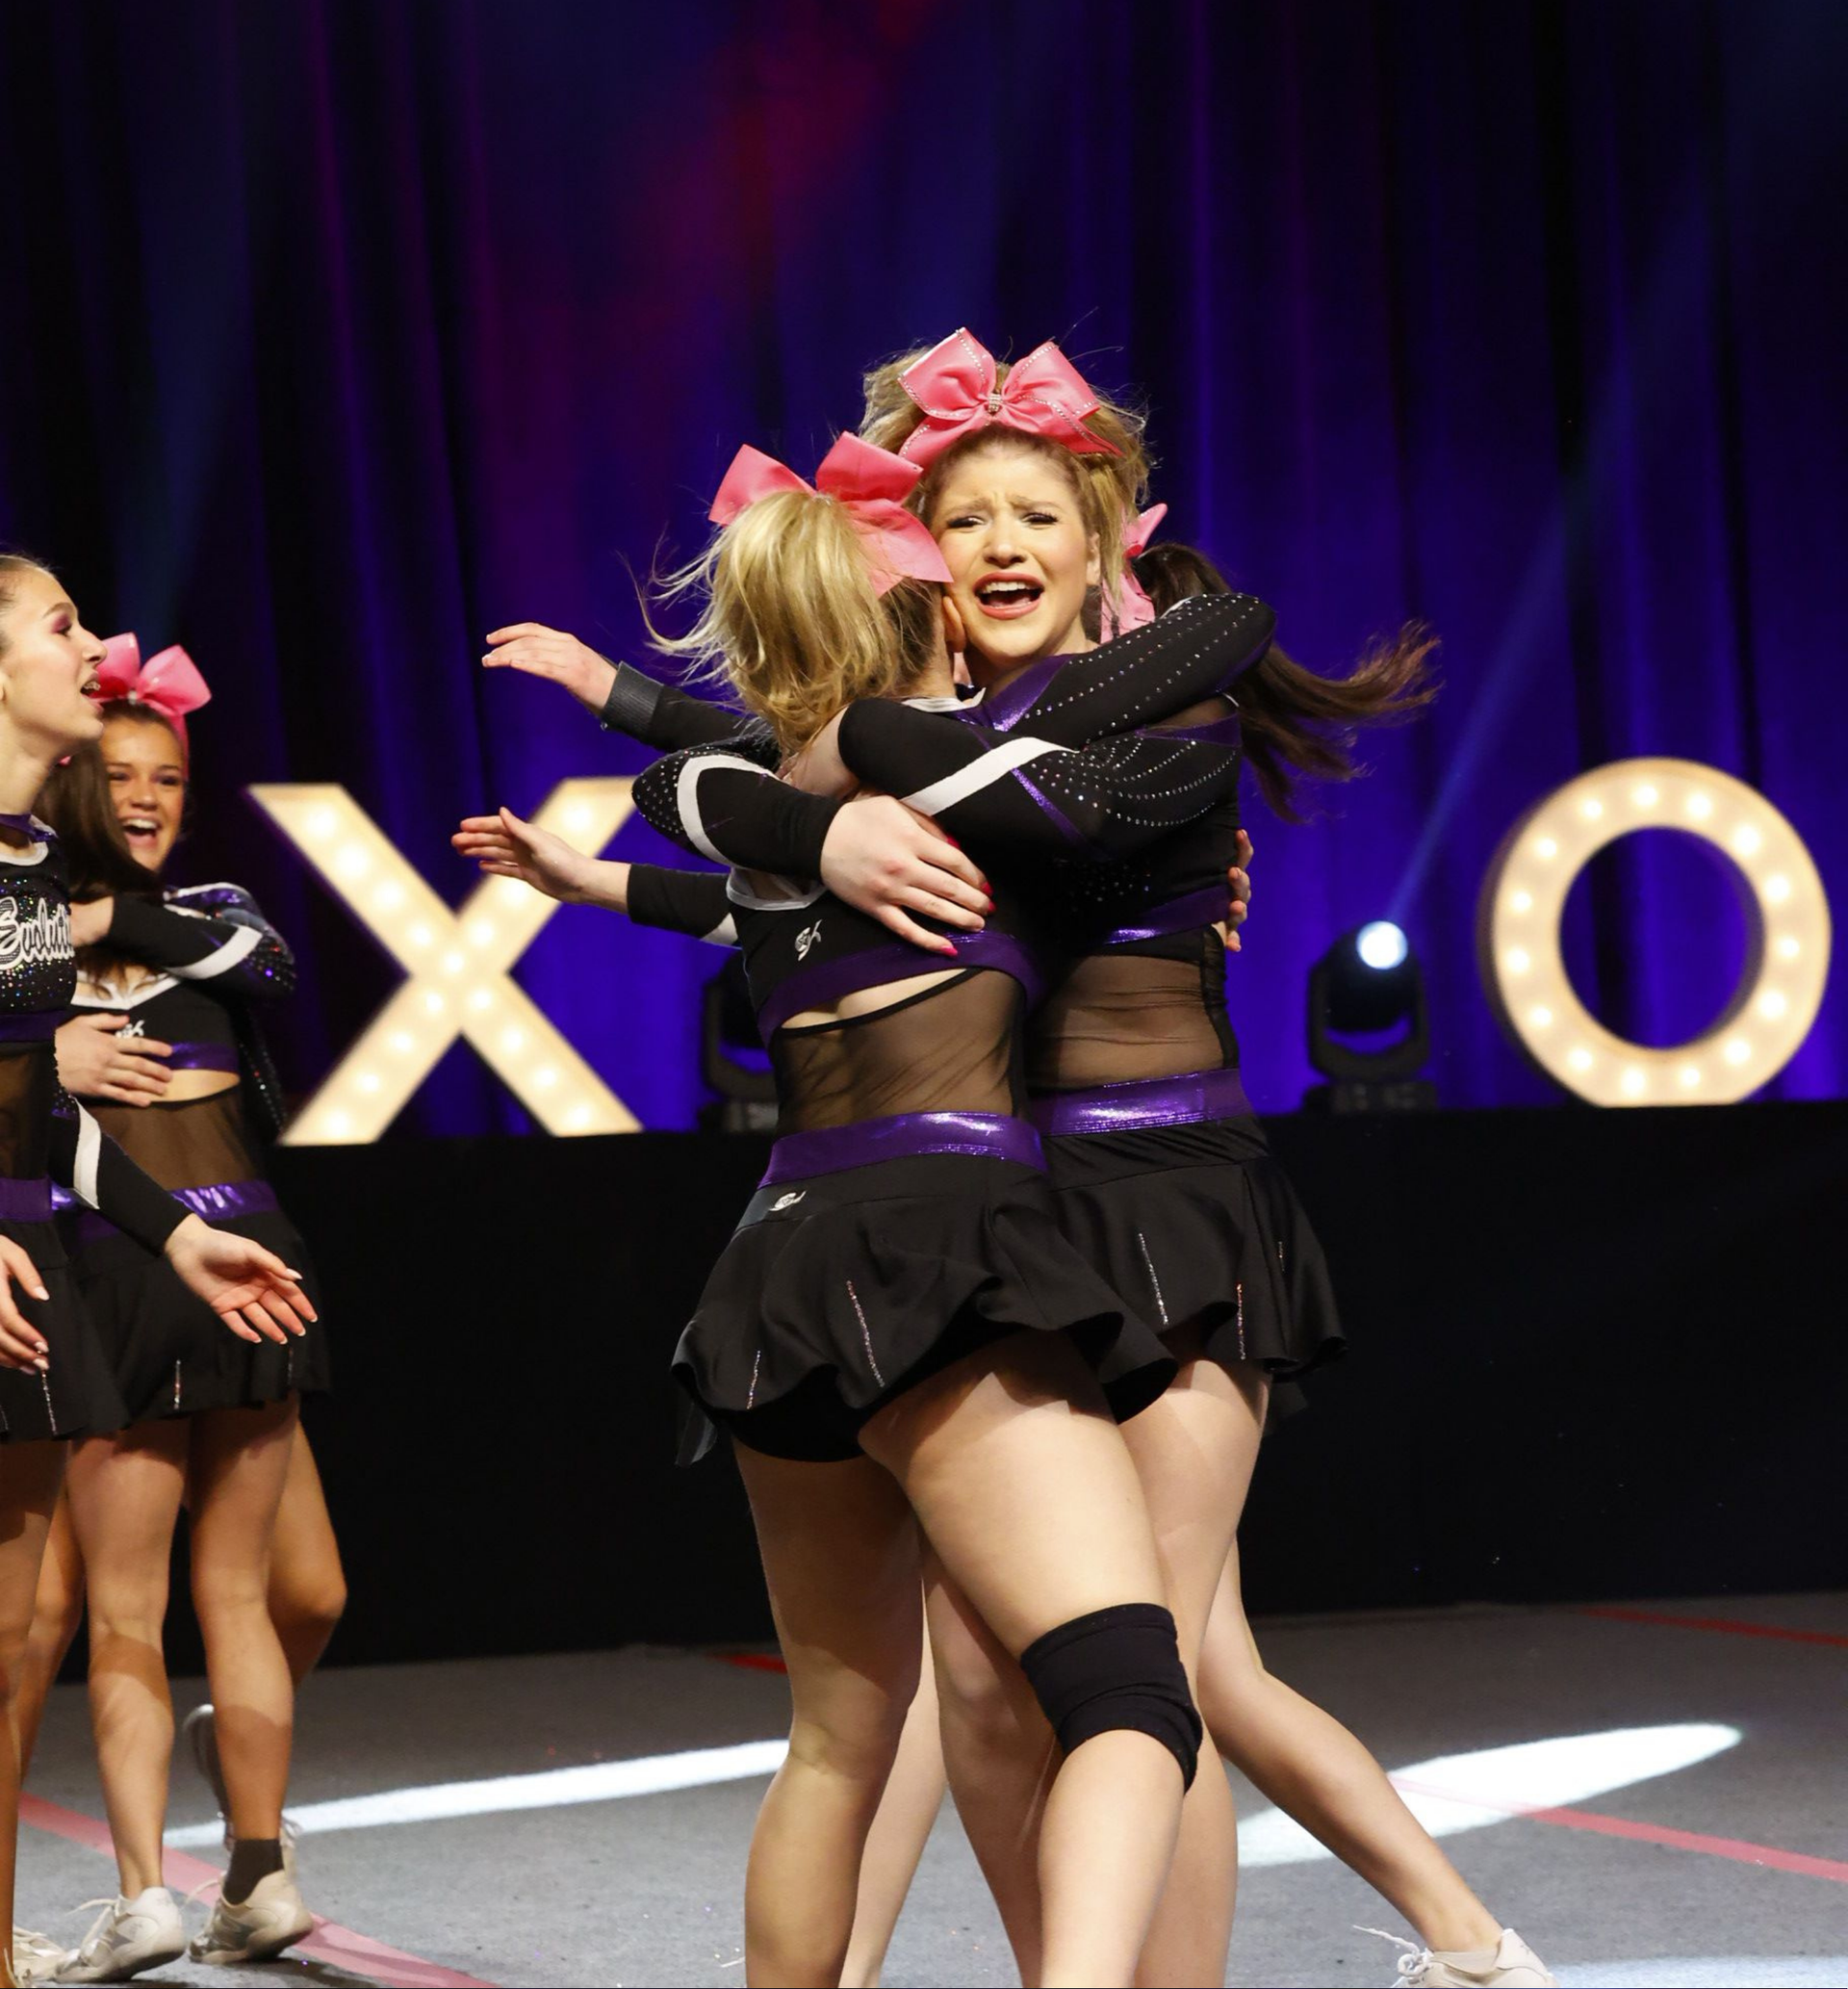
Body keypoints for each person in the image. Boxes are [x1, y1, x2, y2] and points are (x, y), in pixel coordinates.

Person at [458, 431, 1285, 1987]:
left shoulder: (855, 766)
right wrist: (821, 786)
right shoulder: (953, 787)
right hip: (945, 1234)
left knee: (847, 1733)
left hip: (784, 1259)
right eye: (956, 528)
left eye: (1035, 518)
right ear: (918, 607)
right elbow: (709, 780)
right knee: (1129, 1685)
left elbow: (697, 786)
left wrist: (748, 793)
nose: (993, 550)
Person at [0, 556, 314, 1989]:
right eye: (61, 623)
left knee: (256, 1597)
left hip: (155, 1255)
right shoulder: (24, 894)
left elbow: (257, 962)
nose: (143, 795)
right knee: (66, 1613)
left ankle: (234, 1863)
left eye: (169, 774)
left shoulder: (77, 892)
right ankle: (138, 1889)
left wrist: (177, 1229)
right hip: (57, 1259)